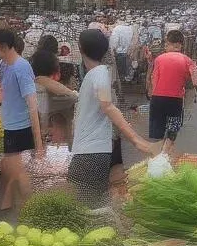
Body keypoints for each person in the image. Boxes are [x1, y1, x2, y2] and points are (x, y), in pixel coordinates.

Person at [67, 29, 158, 205]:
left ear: (81, 48)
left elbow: (107, 105)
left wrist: (137, 141)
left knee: (87, 205)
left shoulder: (99, 72)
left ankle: (109, 227)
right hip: (89, 150)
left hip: (91, 153)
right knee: (91, 203)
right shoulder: (95, 74)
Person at [0, 27, 44, 210]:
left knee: (19, 172)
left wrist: (39, 144)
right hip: (11, 126)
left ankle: (32, 210)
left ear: (4, 46)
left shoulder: (21, 67)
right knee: (10, 167)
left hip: (19, 128)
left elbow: (32, 105)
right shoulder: (6, 65)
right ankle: (13, 202)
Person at [146, 29, 197, 141]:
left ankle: (157, 154)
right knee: (172, 132)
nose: (165, 46)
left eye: (166, 44)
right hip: (175, 101)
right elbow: (196, 79)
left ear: (174, 44)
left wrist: (151, 93)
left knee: (157, 133)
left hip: (157, 99)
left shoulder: (159, 59)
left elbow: (153, 78)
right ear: (180, 45)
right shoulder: (187, 60)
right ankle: (167, 153)